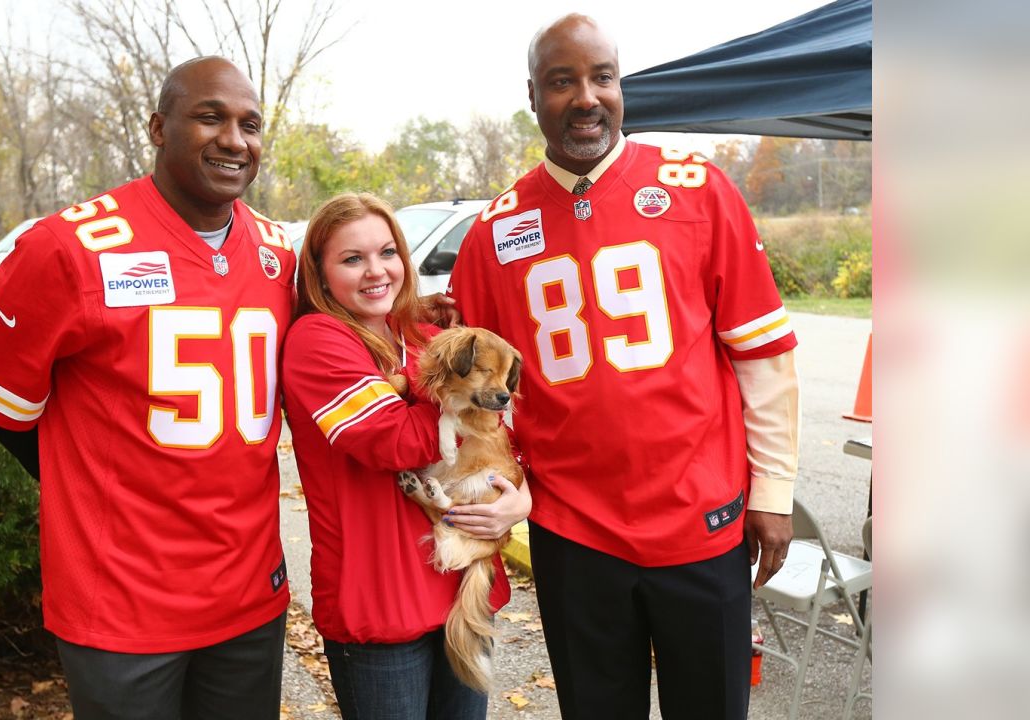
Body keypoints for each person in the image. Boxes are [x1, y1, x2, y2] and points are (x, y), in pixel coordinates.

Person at [447, 15, 801, 720]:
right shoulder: (493, 233)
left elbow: (762, 356)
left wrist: (773, 490)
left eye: (602, 78)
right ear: (532, 96)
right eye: (562, 81)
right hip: (574, 532)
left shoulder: (698, 190)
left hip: (700, 520)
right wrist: (501, 484)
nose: (586, 97)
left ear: (619, 86)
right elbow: (475, 401)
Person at [0, 57, 298, 720]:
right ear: (157, 127)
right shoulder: (70, 246)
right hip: (123, 602)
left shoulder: (281, 254)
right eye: (209, 116)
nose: (233, 139)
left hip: (249, 591)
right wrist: (86, 485)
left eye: (249, 124)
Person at [280, 193, 531, 719]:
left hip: (460, 584)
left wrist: (519, 500)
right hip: (379, 597)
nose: (376, 271)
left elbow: (502, 428)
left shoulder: (423, 335)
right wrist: (451, 391)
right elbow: (397, 441)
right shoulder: (317, 341)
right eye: (352, 259)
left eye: (387, 252)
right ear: (321, 275)